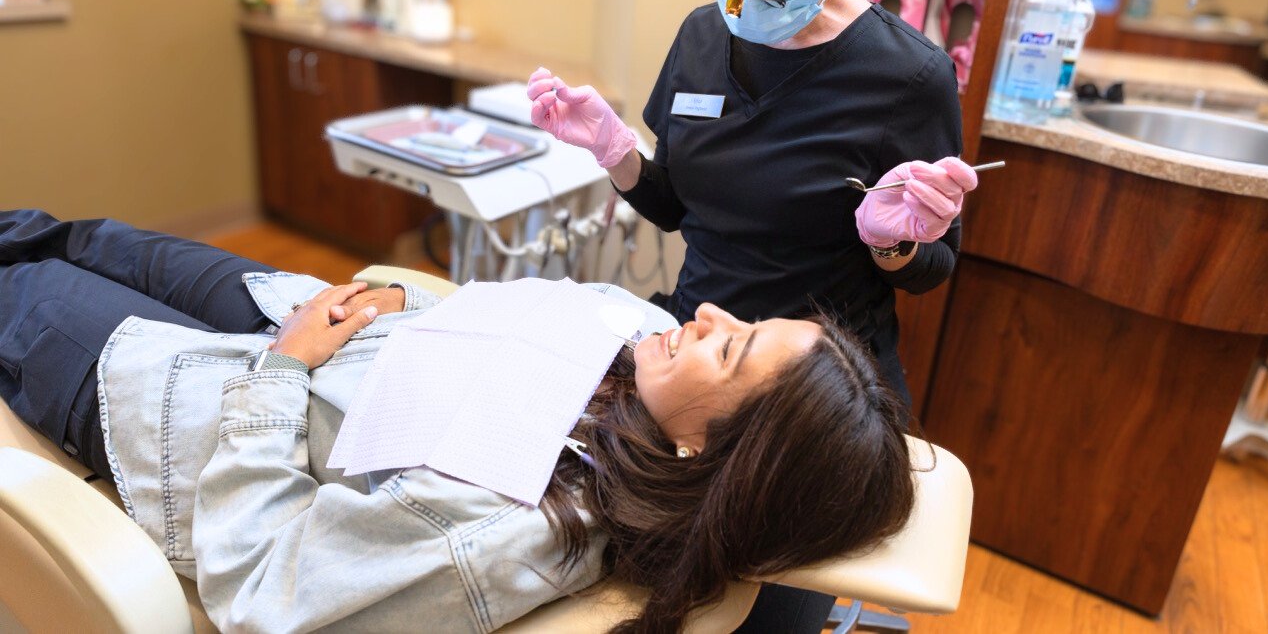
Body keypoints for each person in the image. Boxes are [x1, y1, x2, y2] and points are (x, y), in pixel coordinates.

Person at [0, 209, 915, 634]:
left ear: (704, 449)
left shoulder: (523, 519)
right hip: (308, 308)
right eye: (743, 321)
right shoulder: (643, 340)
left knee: (25, 287)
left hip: (189, 401)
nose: (707, 315)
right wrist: (405, 296)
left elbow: (264, 587)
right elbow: (520, 302)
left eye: (731, 350)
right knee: (80, 234)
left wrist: (283, 373)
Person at [527, 0, 978, 631]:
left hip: (812, 405)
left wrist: (892, 242)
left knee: (761, 608)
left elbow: (935, 269)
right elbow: (674, 207)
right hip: (690, 353)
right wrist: (617, 153)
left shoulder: (907, 79)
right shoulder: (703, 36)